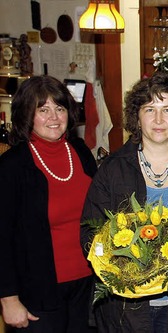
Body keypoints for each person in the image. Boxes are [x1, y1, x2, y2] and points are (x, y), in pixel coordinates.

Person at [81, 71, 168, 332]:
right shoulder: (113, 170)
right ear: (137, 117)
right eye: (149, 109)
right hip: (126, 312)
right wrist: (119, 270)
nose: (159, 119)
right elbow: (90, 233)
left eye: (167, 109)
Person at [0, 75, 97, 332]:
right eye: (42, 110)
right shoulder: (12, 166)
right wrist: (8, 299)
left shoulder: (80, 151)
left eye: (60, 108)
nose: (54, 117)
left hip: (87, 287)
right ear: (26, 115)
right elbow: (2, 237)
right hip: (37, 292)